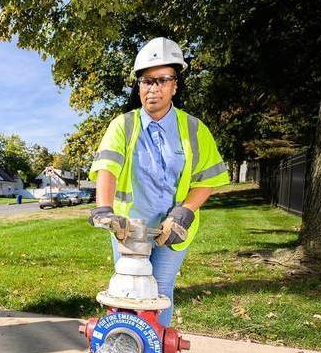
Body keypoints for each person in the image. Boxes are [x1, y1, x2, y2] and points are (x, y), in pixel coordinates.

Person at [88, 37, 230, 329]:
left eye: (162, 80)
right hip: (129, 229)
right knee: (126, 292)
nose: (153, 88)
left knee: (161, 291)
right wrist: (104, 209)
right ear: (139, 86)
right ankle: (123, 348)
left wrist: (185, 212)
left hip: (171, 231)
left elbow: (207, 179)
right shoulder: (123, 125)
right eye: (146, 81)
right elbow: (107, 169)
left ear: (175, 85)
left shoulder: (193, 129)